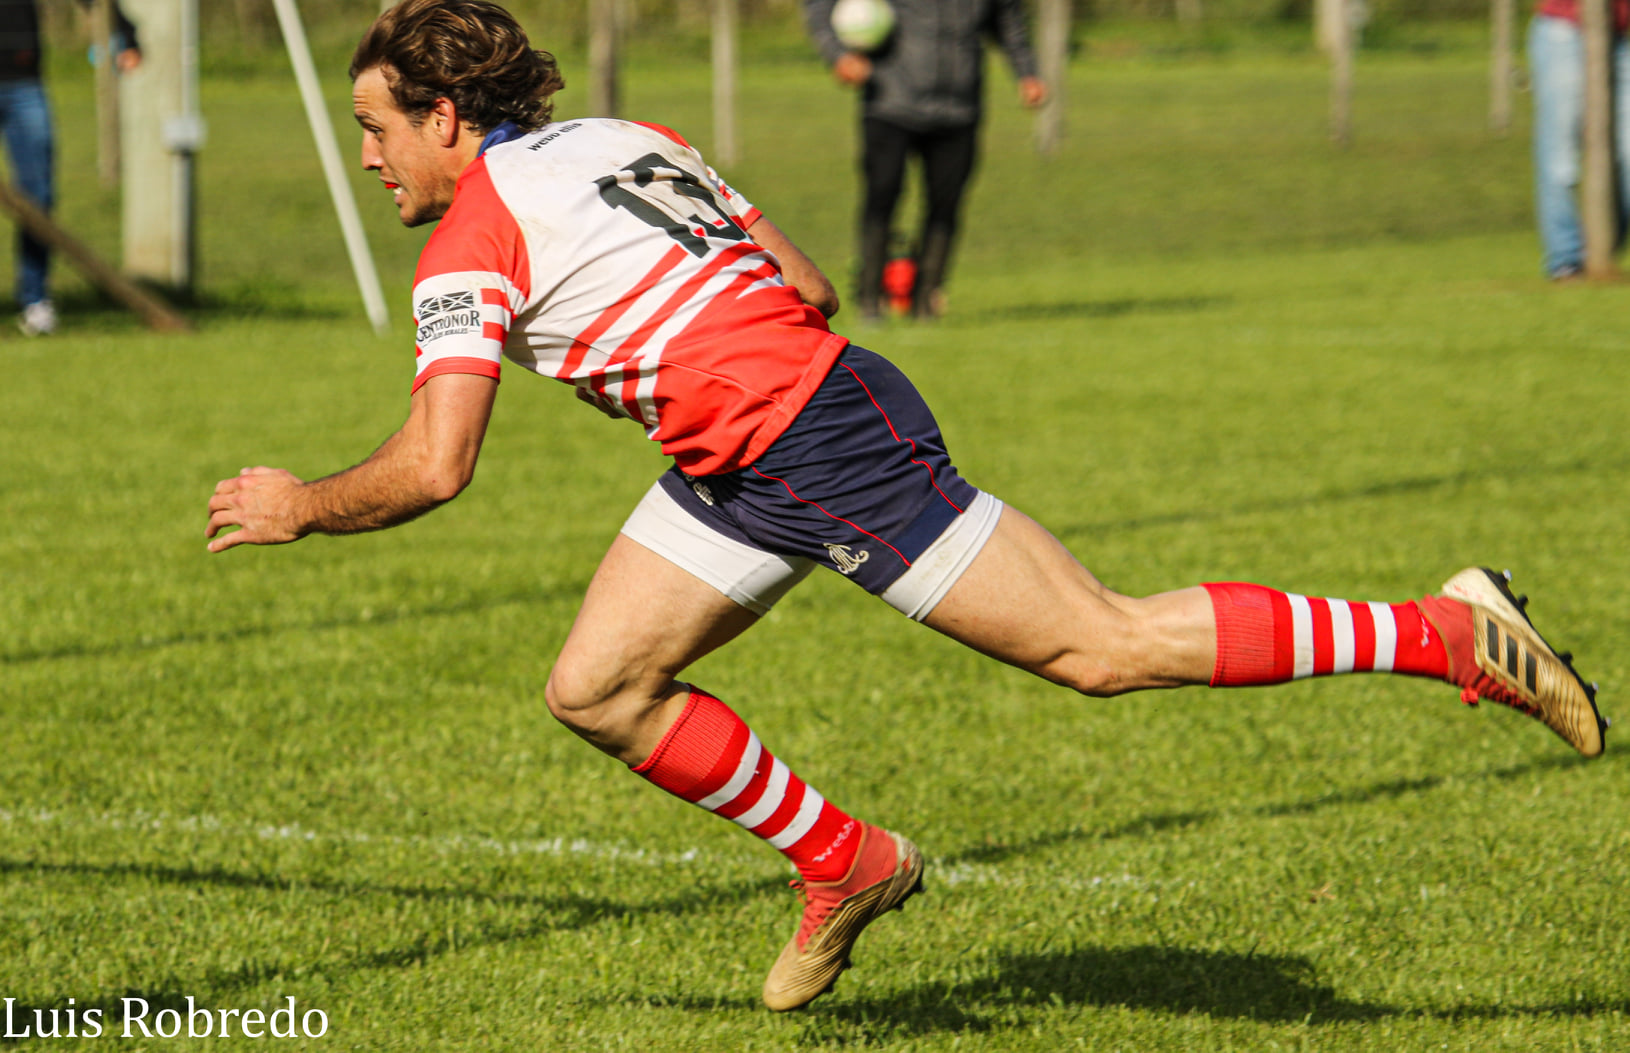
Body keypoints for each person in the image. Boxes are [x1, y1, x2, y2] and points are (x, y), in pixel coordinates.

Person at [206, 0, 1608, 1013]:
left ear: (445, 118)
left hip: (811, 443)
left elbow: (435, 465)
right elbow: (807, 283)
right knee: (598, 685)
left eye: (377, 128)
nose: (371, 156)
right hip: (747, 449)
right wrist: (668, 352)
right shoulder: (623, 135)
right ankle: (847, 861)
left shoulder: (468, 241)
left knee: (1103, 646)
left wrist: (300, 505)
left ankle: (1443, 631)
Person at [803, 0, 1047, 319]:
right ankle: (870, 297)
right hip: (889, 102)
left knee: (946, 204)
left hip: (960, 108)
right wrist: (838, 55)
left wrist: (1027, 73)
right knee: (882, 197)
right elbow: (819, 7)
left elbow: (1008, 21)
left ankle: (927, 297)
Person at [0, 0, 139, 335]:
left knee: (38, 198)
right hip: (24, 83)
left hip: (23, 80)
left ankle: (35, 300)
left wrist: (126, 35)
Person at [1527, 0, 1630, 280]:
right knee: (1560, 155)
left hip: (1617, 36)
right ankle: (1566, 258)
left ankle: (1605, 246)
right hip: (1563, 29)